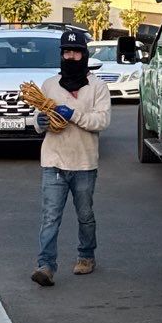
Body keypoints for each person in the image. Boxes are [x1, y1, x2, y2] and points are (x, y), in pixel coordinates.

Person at [25, 26, 112, 286]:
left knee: (85, 215)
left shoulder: (98, 87)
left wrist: (72, 114)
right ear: (61, 55)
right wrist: (40, 121)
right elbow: (37, 119)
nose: (71, 57)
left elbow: (102, 120)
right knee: (50, 217)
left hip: (84, 163)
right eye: (66, 53)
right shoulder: (49, 86)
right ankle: (45, 266)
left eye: (76, 52)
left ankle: (86, 256)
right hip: (53, 162)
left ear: (84, 55)